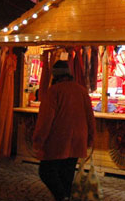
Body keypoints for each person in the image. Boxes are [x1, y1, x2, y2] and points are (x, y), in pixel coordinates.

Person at [33, 60, 95, 201]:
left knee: (46, 171)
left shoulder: (54, 92)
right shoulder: (81, 90)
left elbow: (45, 119)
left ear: (55, 76)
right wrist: (91, 137)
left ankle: (62, 197)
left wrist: (39, 139)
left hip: (58, 138)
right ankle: (65, 195)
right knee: (67, 173)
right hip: (78, 139)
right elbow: (90, 116)